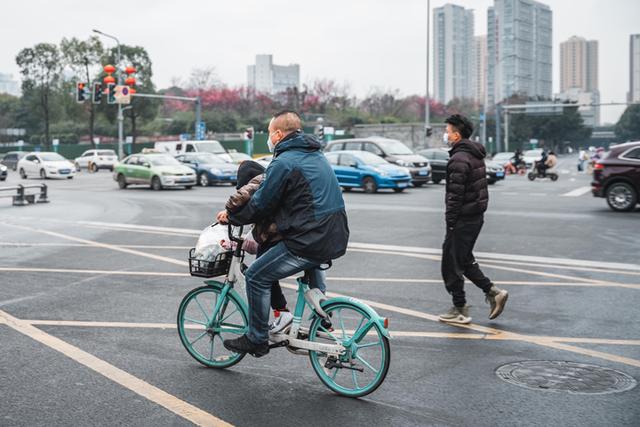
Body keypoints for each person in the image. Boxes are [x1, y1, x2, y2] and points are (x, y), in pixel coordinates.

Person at [216, 110, 349, 357]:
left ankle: (257, 338)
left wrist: (233, 217)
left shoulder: (284, 162)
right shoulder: (316, 155)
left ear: (278, 134)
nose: (269, 138)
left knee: (256, 275)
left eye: (269, 133)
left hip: (310, 238)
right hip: (336, 234)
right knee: (309, 266)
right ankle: (322, 316)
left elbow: (260, 204)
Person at [223, 160, 317, 334]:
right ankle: (321, 315)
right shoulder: (277, 180)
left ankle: (258, 334)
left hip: (286, 239)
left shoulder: (259, 181)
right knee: (267, 268)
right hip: (312, 237)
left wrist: (229, 214)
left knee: (256, 274)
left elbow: (242, 198)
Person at [438, 114, 508, 325]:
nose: (446, 134)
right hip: (474, 217)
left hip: (462, 219)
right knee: (463, 260)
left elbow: (455, 196)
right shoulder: (474, 154)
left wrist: (450, 221)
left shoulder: (459, 159)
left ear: (456, 135)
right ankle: (493, 292)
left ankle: (460, 309)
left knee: (451, 264)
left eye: (448, 131)